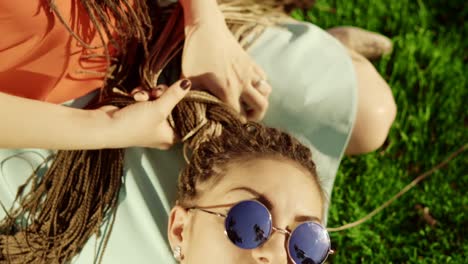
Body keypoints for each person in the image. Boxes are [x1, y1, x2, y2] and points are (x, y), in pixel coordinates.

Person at [0, 0, 396, 263]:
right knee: (371, 121)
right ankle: (313, 42)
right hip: (55, 120)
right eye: (305, 244)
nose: (274, 252)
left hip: (151, 32)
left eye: (249, 225)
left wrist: (204, 20)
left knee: (369, 118)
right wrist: (102, 127)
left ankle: (277, 26)